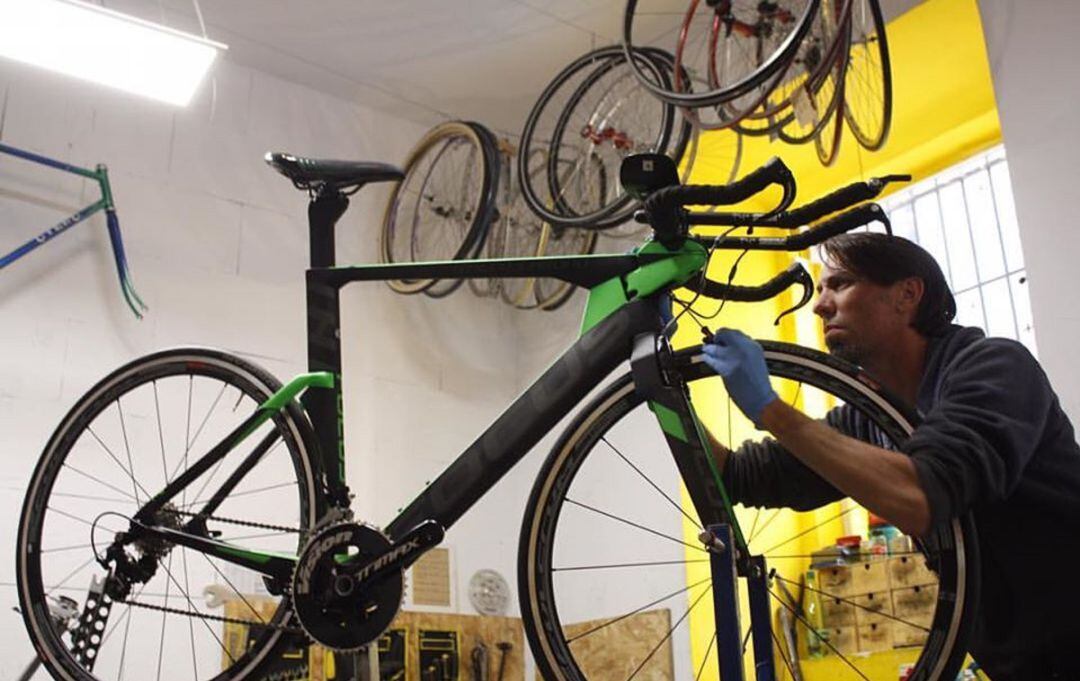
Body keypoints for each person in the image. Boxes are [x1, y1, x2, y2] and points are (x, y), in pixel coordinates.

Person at [698, 232, 1080, 680]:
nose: (820, 306)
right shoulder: (870, 418)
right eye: (820, 290)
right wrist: (657, 386)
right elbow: (737, 476)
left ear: (907, 295)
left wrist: (771, 410)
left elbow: (919, 495)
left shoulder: (994, 368)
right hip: (1022, 666)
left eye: (839, 285)